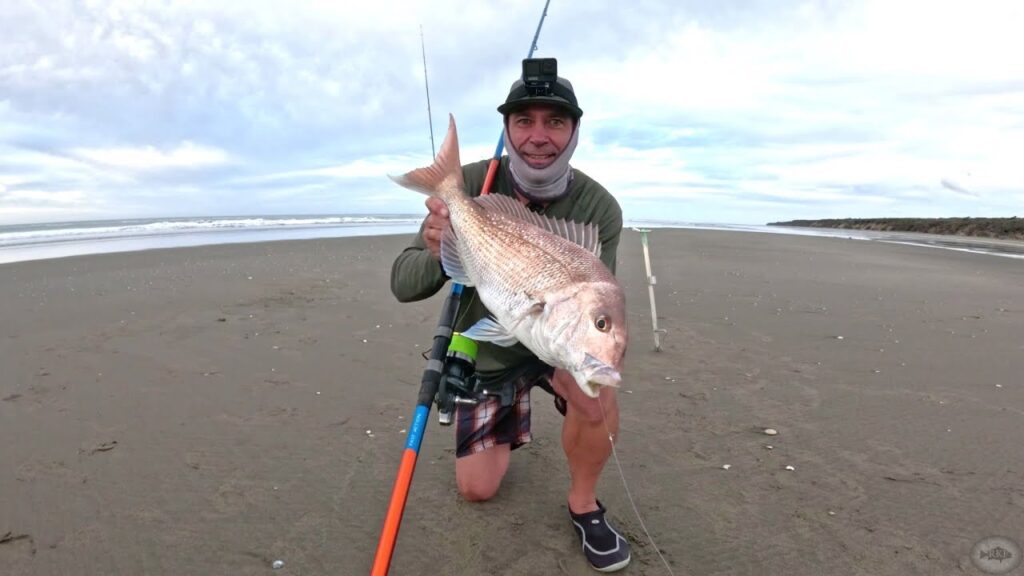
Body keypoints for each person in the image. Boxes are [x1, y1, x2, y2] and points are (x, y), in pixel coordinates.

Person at [390, 65, 630, 573]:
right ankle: (505, 420)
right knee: (477, 490)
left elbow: (599, 300)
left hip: (556, 340)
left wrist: (594, 345)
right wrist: (438, 248)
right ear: (507, 128)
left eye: (555, 122)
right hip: (493, 348)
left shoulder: (600, 207)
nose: (539, 136)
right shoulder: (472, 183)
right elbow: (403, 282)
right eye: (524, 121)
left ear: (574, 132)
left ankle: (584, 505)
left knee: (597, 396)